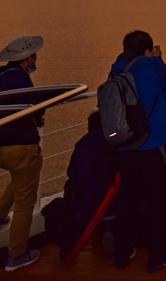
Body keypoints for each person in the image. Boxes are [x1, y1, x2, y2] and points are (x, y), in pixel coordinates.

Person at [109, 30, 166, 273]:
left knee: (126, 202)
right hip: (152, 144)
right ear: (147, 50)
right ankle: (157, 257)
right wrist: (158, 59)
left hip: (125, 146)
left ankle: (122, 254)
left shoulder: (116, 69)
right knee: (159, 202)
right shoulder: (151, 65)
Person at [0, 35, 45, 271]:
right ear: (26, 58)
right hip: (20, 148)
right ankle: (16, 255)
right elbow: (33, 105)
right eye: (34, 55)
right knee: (25, 203)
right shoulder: (21, 78)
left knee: (22, 178)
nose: (36, 58)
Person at [41, 110, 119, 262]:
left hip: (83, 211)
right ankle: (108, 230)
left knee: (75, 186)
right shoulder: (114, 146)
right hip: (111, 209)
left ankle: (95, 230)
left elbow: (72, 173)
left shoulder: (82, 145)